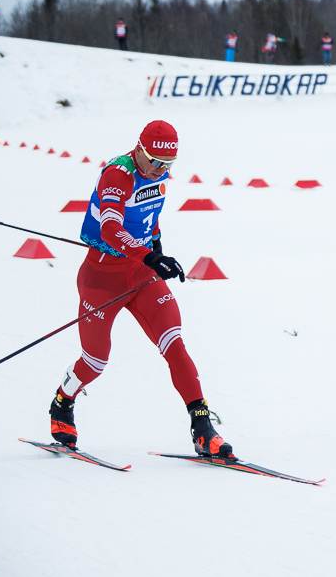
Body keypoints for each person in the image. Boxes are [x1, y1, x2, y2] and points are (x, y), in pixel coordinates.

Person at [49, 120, 234, 458]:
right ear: (139, 150)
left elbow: (151, 215)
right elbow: (109, 228)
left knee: (174, 343)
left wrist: (158, 248)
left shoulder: (156, 172)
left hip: (141, 274)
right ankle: (63, 401)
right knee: (95, 361)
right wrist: (149, 254)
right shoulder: (118, 174)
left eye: (168, 165)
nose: (161, 170)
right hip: (101, 278)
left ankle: (202, 426)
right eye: (156, 162)